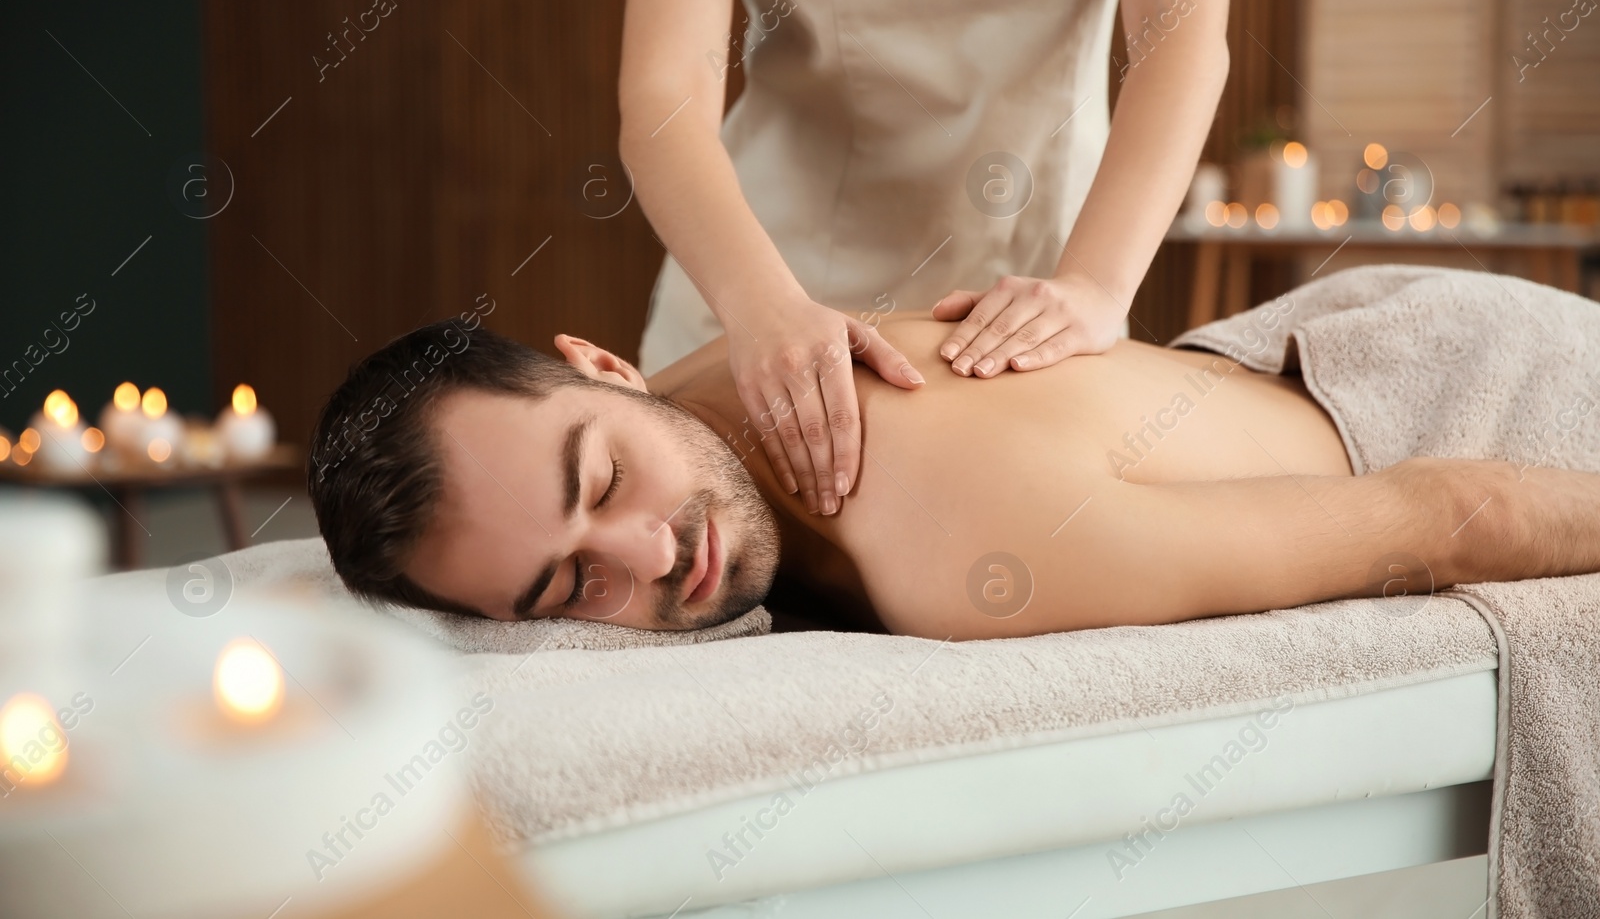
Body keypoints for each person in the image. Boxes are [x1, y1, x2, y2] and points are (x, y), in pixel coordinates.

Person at [308, 270, 1600, 641]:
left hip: (1484, 391)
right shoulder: (701, 390)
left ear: (603, 363)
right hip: (1286, 348)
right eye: (567, 587)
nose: (656, 554)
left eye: (600, 483)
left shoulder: (962, 542)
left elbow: (1449, 514)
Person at [618, 0, 1232, 520]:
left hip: (1029, 307)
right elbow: (664, 92)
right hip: (759, 309)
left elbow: (1183, 35)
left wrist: (1097, 284)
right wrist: (760, 310)